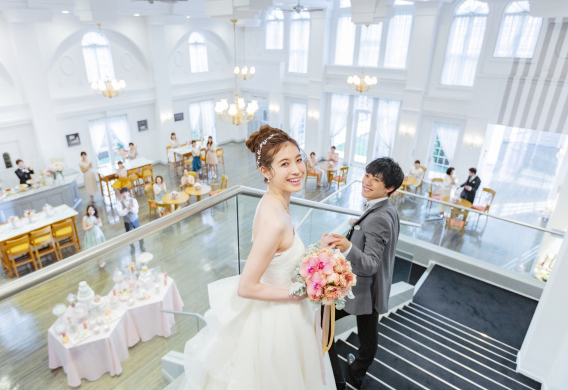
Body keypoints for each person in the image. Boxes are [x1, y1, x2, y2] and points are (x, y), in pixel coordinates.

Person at [180, 125, 332, 389]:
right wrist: (296, 294)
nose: (297, 170)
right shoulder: (274, 220)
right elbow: (246, 286)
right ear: (265, 171)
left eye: (298, 159)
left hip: (287, 313)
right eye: (284, 163)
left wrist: (317, 251)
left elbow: (281, 258)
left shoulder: (276, 201)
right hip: (279, 322)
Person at [326, 157, 404, 390]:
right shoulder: (386, 208)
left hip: (365, 289)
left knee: (325, 324)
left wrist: (348, 247)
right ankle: (356, 372)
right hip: (374, 287)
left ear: (389, 188)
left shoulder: (379, 217)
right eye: (367, 175)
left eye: (376, 179)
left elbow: (371, 263)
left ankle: (342, 378)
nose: (367, 182)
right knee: (368, 335)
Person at [116, 187, 145, 255]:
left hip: (135, 219)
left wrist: (130, 208)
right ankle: (132, 248)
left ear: (129, 193)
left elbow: (136, 210)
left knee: (139, 233)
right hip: (127, 222)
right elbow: (120, 213)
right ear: (121, 194)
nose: (124, 194)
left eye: (126, 192)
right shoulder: (119, 202)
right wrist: (127, 209)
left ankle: (142, 245)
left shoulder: (133, 200)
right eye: (122, 193)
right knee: (129, 235)